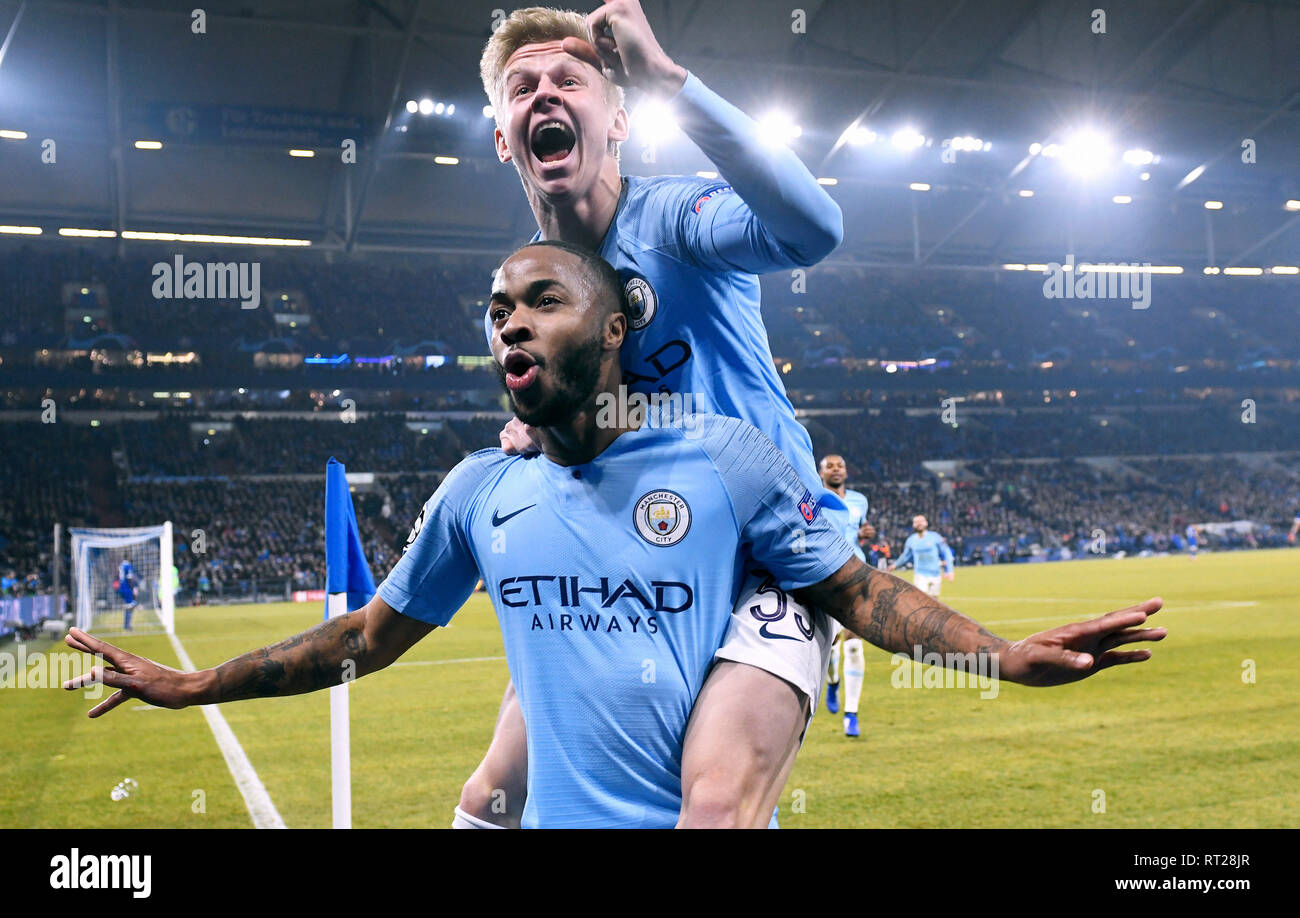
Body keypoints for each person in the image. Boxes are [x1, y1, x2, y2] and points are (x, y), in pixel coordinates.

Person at [63, 243, 1168, 828]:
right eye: (497, 308)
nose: (509, 320)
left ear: (614, 325)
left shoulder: (724, 462)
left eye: (540, 297)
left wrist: (1004, 657)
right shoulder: (475, 495)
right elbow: (360, 638)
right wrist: (193, 685)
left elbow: (864, 597)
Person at [463, 1, 849, 827]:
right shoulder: (525, 299)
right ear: (503, 137)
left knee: (711, 806)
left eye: (572, 79)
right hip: (634, 574)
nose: (546, 95)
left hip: (763, 563)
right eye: (523, 86)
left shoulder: (678, 218)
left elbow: (816, 229)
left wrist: (674, 80)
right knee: (492, 799)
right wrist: (538, 435)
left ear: (619, 119)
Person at [817, 455, 869, 737]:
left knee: (853, 645)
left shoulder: (860, 500)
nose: (836, 469)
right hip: (824, 577)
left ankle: (852, 714)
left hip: (856, 573)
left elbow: (857, 530)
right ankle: (833, 681)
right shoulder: (812, 497)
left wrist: (865, 533)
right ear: (820, 472)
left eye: (840, 466)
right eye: (830, 466)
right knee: (830, 648)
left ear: (846, 471)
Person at [889, 515, 954, 598]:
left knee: (934, 601)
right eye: (916, 522)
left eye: (921, 521)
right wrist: (895, 565)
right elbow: (905, 556)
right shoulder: (911, 540)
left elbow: (946, 552)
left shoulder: (935, 537)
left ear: (926, 523)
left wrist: (950, 570)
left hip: (936, 574)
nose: (919, 523)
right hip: (920, 574)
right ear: (913, 525)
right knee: (921, 599)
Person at [117, 558, 138, 631]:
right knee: (131, 605)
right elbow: (129, 578)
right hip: (127, 588)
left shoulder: (121, 565)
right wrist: (133, 588)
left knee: (129, 606)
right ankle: (127, 626)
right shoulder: (128, 565)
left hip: (121, 587)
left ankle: (127, 625)